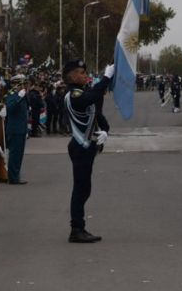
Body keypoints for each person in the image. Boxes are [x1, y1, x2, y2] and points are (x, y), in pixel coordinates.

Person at [63, 59, 114, 243]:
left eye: (85, 73)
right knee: (80, 188)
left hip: (88, 147)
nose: (85, 76)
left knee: (85, 188)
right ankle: (76, 229)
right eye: (82, 73)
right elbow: (91, 98)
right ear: (72, 76)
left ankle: (79, 226)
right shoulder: (73, 94)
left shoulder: (83, 92)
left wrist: (106, 130)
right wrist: (106, 78)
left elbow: (97, 110)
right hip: (80, 146)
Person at [5, 74, 29, 184]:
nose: (23, 86)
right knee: (14, 154)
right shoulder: (12, 95)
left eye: (24, 84)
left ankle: (16, 175)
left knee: (19, 154)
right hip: (14, 129)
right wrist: (19, 96)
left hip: (21, 129)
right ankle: (13, 178)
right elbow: (10, 108)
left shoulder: (23, 95)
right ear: (15, 85)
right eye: (21, 84)